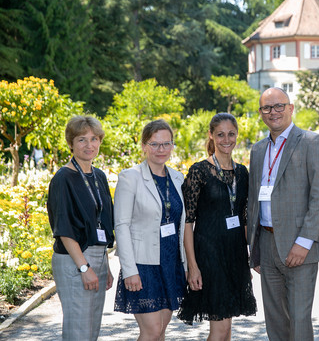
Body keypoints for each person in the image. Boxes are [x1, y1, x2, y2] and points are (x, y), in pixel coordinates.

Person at [246, 88, 319, 341]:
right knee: (275, 320)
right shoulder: (258, 149)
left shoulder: (311, 142)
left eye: (279, 106)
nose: (273, 112)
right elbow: (254, 199)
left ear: (291, 108)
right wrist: (256, 248)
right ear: (261, 112)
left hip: (299, 247)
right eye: (267, 108)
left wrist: (304, 243)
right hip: (267, 243)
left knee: (299, 319)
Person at [178, 113, 257, 338]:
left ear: (237, 136)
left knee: (227, 327)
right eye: (220, 134)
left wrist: (247, 260)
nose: (226, 139)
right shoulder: (199, 171)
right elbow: (187, 223)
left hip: (235, 255)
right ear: (211, 136)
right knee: (220, 326)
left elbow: (243, 219)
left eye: (231, 134)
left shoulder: (242, 173)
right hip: (210, 256)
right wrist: (192, 265)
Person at [113, 119, 187, 340]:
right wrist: (130, 270)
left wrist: (185, 265)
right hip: (143, 265)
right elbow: (122, 226)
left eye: (166, 144)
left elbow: (182, 225)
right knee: (152, 329)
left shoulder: (177, 178)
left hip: (171, 263)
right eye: (154, 144)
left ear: (172, 146)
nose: (160, 149)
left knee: (161, 329)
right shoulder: (130, 177)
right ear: (144, 146)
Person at [47, 116, 115, 341]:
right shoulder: (63, 178)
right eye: (82, 139)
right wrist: (84, 268)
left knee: (91, 330)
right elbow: (64, 229)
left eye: (94, 139)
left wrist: (105, 265)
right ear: (71, 143)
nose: (89, 145)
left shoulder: (99, 176)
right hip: (75, 261)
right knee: (79, 332)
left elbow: (100, 223)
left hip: (96, 259)